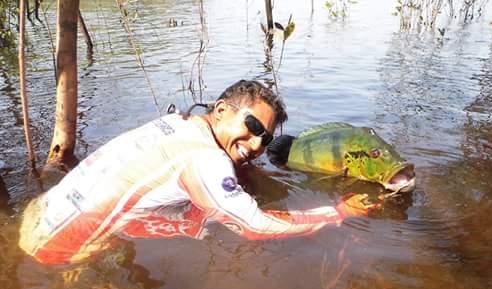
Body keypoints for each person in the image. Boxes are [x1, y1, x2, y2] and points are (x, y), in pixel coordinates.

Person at [19, 80, 379, 265]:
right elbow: (255, 227)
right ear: (221, 110)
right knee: (205, 227)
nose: (255, 144)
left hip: (40, 215)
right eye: (252, 126)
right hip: (57, 250)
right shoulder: (208, 160)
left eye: (265, 138)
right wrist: (338, 212)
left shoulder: (179, 122)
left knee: (192, 216)